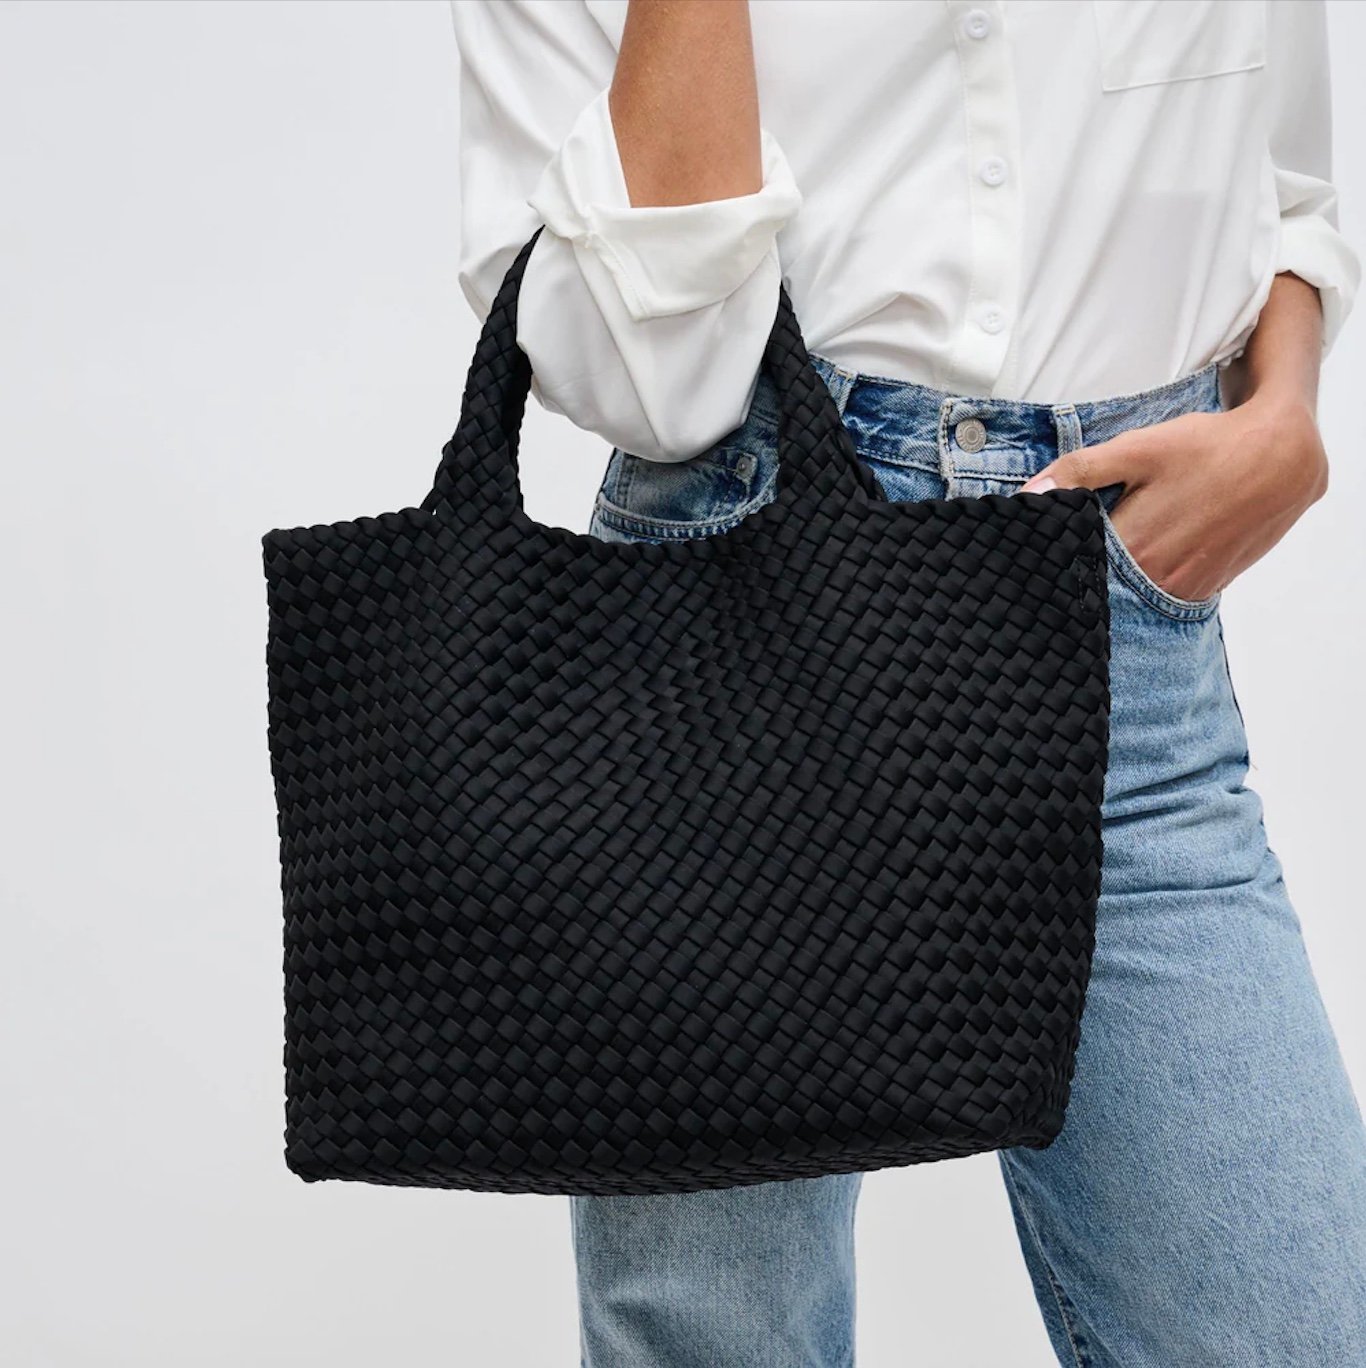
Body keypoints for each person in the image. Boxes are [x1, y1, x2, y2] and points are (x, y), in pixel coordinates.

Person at [448, 1, 1366, 1362]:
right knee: (720, 1341)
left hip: (1117, 626)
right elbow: (653, 388)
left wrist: (1283, 416)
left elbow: (1280, 183)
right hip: (727, 641)